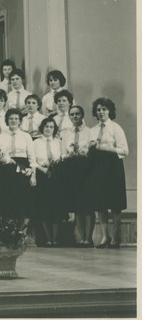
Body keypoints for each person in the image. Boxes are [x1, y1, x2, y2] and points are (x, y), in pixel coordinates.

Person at [87, 98, 128, 248]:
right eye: (98, 110)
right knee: (100, 203)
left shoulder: (116, 128)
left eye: (104, 109)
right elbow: (89, 151)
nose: (101, 112)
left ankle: (116, 237)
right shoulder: (92, 130)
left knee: (115, 203)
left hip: (113, 166)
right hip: (97, 167)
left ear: (110, 111)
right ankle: (105, 237)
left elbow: (125, 150)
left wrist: (104, 148)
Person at [59, 105, 93, 246]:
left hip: (86, 169)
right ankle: (82, 237)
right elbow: (61, 154)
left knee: (88, 204)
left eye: (77, 114)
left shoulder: (90, 132)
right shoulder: (66, 134)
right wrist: (68, 155)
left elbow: (93, 152)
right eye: (72, 114)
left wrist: (84, 154)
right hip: (72, 169)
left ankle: (89, 238)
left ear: (82, 115)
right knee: (77, 204)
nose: (74, 117)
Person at [31, 117, 66, 246]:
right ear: (42, 128)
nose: (48, 129)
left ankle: (55, 239)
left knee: (55, 207)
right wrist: (43, 169)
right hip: (42, 175)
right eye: (46, 126)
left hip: (56, 176)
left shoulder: (59, 142)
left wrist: (56, 163)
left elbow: (63, 156)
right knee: (44, 206)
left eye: (51, 127)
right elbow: (33, 160)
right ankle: (48, 238)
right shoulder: (36, 142)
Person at [0, 108, 36, 225]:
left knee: (23, 198)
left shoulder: (26, 136)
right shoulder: (1, 136)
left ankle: (22, 232)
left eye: (16, 119)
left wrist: (33, 175)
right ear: (7, 120)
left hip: (23, 168)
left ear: (20, 121)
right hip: (6, 168)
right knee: (8, 197)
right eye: (11, 119)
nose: (13, 121)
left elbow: (32, 157)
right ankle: (8, 230)